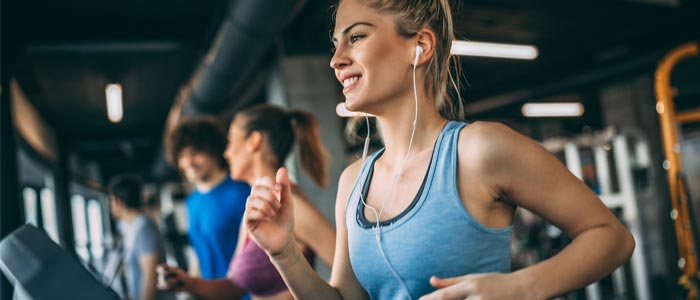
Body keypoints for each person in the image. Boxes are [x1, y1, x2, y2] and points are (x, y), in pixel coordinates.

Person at [243, 0, 636, 300]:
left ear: (420, 46)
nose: (336, 59)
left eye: (357, 36)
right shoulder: (353, 182)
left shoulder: (477, 151)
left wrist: (520, 287)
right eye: (335, 43)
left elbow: (611, 236)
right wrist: (284, 254)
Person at [157, 105, 336, 300]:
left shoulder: (291, 206)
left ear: (253, 141)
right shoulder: (253, 205)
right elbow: (233, 286)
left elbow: (353, 277)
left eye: (231, 141)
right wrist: (186, 282)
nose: (226, 153)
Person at [166, 116, 251, 280]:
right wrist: (189, 289)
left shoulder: (242, 193)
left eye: (195, 153)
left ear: (215, 152)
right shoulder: (191, 201)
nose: (188, 162)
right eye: (182, 156)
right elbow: (199, 252)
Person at [108, 175, 171, 300]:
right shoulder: (129, 226)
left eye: (111, 202)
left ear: (118, 202)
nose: (111, 206)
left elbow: (150, 275)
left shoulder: (144, 228)